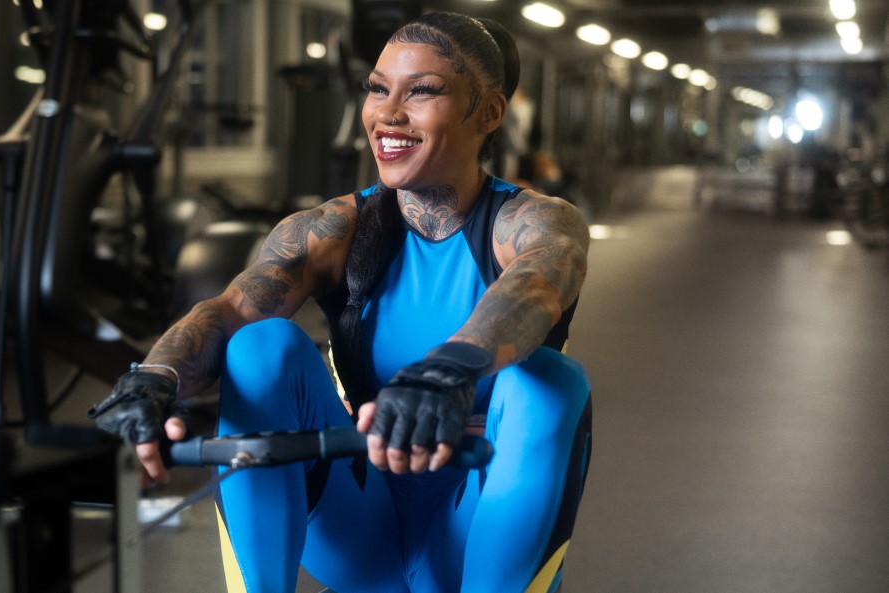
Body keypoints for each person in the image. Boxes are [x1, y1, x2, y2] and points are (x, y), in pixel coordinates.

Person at [90, 12, 592, 593]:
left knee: (549, 382)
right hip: (362, 524)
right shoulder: (335, 229)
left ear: (490, 113)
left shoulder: (532, 221)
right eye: (378, 88)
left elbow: (535, 284)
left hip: (478, 523)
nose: (388, 113)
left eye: (422, 91)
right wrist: (153, 380)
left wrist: (446, 371)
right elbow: (228, 313)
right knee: (261, 344)